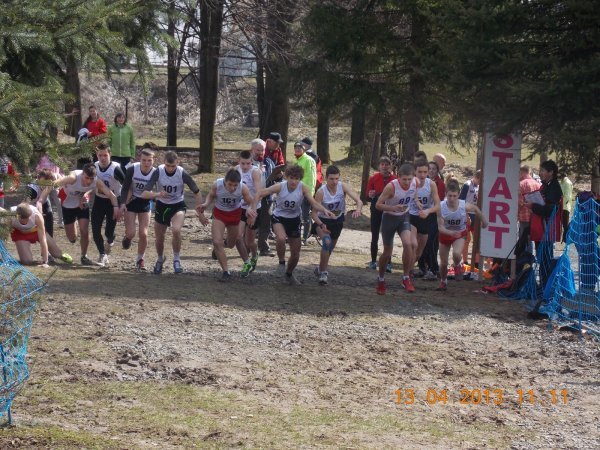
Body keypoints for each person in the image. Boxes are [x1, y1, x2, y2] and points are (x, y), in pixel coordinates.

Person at [253, 165, 335, 285]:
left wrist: (324, 210)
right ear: (287, 177)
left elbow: (313, 203)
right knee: (281, 238)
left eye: (297, 178)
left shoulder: (303, 188)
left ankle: (289, 274)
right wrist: (253, 208)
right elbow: (260, 193)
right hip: (279, 217)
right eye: (291, 178)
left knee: (296, 254)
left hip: (294, 219)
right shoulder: (280, 186)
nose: (293, 181)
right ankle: (281, 263)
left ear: (300, 179)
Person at [141, 151, 203, 274]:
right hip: (162, 206)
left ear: (178, 163)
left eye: (173, 166)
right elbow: (144, 193)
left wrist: (200, 213)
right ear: (164, 163)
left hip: (177, 205)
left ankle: (176, 259)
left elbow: (197, 192)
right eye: (168, 166)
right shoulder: (158, 171)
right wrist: (158, 194)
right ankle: (160, 258)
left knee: (176, 230)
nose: (170, 169)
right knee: (159, 237)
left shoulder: (181, 173)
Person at [55, 163, 121, 265]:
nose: (89, 181)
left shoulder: (96, 181)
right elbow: (54, 184)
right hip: (68, 203)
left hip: (82, 204)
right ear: (82, 174)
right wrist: (45, 194)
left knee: (84, 230)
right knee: (72, 238)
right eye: (86, 178)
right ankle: (74, 223)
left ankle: (84, 256)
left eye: (91, 178)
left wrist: (116, 207)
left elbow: (111, 195)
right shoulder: (73, 177)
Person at [198, 168, 257, 280]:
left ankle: (221, 248)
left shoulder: (242, 187)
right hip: (219, 214)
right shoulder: (217, 184)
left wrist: (250, 210)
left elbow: (251, 202)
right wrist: (205, 204)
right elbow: (211, 195)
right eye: (230, 184)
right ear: (225, 181)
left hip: (234, 215)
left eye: (235, 185)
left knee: (231, 244)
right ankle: (226, 272)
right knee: (216, 241)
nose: (232, 188)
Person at [312, 165, 363, 285]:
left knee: (329, 248)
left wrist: (358, 209)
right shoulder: (321, 192)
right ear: (326, 178)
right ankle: (324, 273)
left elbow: (359, 201)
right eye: (331, 179)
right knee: (326, 242)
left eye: (337, 179)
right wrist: (321, 224)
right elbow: (313, 214)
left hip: (337, 221)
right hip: (323, 221)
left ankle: (320, 268)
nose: (334, 182)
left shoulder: (342, 186)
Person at [437, 178, 488, 291]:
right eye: (450, 196)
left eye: (454, 196)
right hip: (445, 234)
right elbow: (440, 227)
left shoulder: (463, 205)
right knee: (443, 263)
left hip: (460, 234)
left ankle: (458, 265)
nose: (452, 198)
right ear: (446, 194)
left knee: (456, 254)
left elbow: (476, 209)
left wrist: (484, 222)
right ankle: (443, 281)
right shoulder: (441, 206)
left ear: (459, 195)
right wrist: (450, 232)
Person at [375, 163, 418, 295]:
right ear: (399, 177)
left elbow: (414, 193)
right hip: (389, 218)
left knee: (408, 244)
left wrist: (417, 201)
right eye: (404, 179)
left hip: (404, 216)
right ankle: (381, 279)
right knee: (387, 252)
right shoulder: (391, 187)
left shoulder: (415, 182)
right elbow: (378, 205)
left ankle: (406, 277)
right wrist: (393, 208)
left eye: (409, 179)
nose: (407, 182)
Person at [523, 160, 563, 287]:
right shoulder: (545, 185)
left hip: (547, 229)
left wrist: (533, 206)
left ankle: (545, 286)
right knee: (541, 258)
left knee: (545, 258)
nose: (540, 173)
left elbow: (550, 210)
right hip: (539, 228)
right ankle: (542, 285)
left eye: (543, 171)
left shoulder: (555, 188)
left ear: (551, 172)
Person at [119, 147, 157, 271]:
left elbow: (159, 190)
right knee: (131, 232)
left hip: (145, 202)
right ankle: (127, 238)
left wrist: (157, 199)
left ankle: (140, 259)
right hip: (132, 200)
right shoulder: (132, 169)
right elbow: (125, 187)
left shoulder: (156, 172)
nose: (146, 163)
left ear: (153, 160)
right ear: (139, 159)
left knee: (144, 233)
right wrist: (123, 203)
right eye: (144, 160)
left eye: (149, 160)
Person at [1, 203, 72, 267]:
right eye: (22, 219)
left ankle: (61, 255)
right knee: (27, 261)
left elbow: (43, 239)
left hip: (35, 230)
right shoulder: (10, 216)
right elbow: (4, 237)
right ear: (17, 216)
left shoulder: (37, 216)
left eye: (27, 218)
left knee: (56, 254)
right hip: (20, 233)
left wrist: (45, 262)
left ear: (30, 215)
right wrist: (4, 258)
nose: (25, 221)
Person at [92, 144, 125, 266]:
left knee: (108, 232)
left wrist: (123, 204)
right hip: (99, 200)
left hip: (114, 201)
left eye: (105, 155)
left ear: (110, 155)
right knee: (95, 229)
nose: (103, 158)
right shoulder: (94, 166)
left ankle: (110, 240)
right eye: (100, 155)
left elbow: (126, 185)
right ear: (97, 155)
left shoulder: (115, 168)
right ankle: (102, 254)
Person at [409, 159, 441, 278]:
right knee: (413, 244)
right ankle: (408, 274)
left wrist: (428, 211)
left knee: (419, 252)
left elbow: (438, 205)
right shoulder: (409, 182)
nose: (422, 175)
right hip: (411, 216)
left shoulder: (431, 184)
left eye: (425, 172)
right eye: (419, 172)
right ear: (414, 172)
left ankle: (409, 268)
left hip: (425, 217)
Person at [235, 150, 263, 274]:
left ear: (252, 162)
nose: (245, 166)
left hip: (254, 207)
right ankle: (246, 262)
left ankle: (254, 255)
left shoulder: (255, 172)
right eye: (243, 163)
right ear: (239, 161)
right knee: (238, 237)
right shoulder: (235, 170)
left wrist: (252, 210)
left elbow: (259, 193)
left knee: (249, 241)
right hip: (240, 207)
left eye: (248, 163)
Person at [366, 156, 396, 270]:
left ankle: (388, 263)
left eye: (387, 164)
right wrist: (370, 194)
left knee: (388, 237)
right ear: (379, 166)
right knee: (375, 235)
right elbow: (367, 196)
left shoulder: (394, 179)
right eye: (382, 164)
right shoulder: (373, 178)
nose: (384, 167)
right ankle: (373, 261)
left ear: (390, 166)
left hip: (389, 210)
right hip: (376, 209)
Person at [418, 161, 445, 280]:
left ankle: (433, 268)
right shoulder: (421, 182)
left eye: (434, 169)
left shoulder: (439, 184)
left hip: (434, 215)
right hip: (421, 214)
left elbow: (440, 201)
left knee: (430, 242)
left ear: (437, 171)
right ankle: (422, 267)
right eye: (430, 169)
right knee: (421, 242)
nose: (431, 171)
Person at [250, 139, 277, 257]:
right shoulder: (247, 162)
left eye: (262, 150)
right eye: (258, 150)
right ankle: (247, 246)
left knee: (266, 222)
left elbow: (274, 177)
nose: (260, 152)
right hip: (251, 197)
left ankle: (264, 248)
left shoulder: (268, 162)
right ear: (252, 149)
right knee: (250, 222)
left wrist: (278, 175)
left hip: (267, 196)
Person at [291, 141, 317, 245]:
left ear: (304, 149)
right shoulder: (295, 160)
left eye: (300, 148)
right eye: (296, 148)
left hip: (305, 192)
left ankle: (304, 238)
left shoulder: (309, 160)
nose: (297, 149)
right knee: (295, 214)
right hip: (295, 192)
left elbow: (311, 177)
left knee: (305, 216)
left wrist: (309, 192)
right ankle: (295, 236)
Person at [35, 152, 64, 227]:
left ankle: (61, 220)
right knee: (46, 201)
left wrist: (59, 178)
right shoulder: (42, 158)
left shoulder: (57, 158)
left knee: (58, 201)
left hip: (54, 183)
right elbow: (38, 170)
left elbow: (60, 171)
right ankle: (48, 218)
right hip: (45, 183)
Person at [26, 169, 56, 238]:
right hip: (31, 205)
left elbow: (40, 201)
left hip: (44, 202)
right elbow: (25, 204)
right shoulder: (32, 190)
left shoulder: (51, 184)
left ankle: (49, 239)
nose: (44, 185)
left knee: (49, 222)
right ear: (38, 179)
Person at [459, 170, 480, 264]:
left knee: (477, 239)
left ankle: (476, 262)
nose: (480, 182)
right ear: (476, 177)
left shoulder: (479, 186)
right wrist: (466, 215)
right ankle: (465, 261)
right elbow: (460, 201)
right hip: (467, 213)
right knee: (467, 239)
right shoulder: (467, 185)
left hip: (475, 214)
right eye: (479, 180)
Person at [518, 165, 541, 254]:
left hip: (524, 216)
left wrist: (516, 214)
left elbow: (520, 203)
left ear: (522, 172)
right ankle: (532, 257)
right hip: (536, 216)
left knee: (524, 239)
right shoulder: (538, 184)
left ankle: (526, 258)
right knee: (534, 238)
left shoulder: (521, 184)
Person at [559, 172, 573, 243]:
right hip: (562, 206)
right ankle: (565, 238)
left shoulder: (567, 183)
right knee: (563, 224)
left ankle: (566, 238)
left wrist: (561, 204)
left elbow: (567, 196)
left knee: (565, 224)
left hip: (565, 206)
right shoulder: (562, 182)